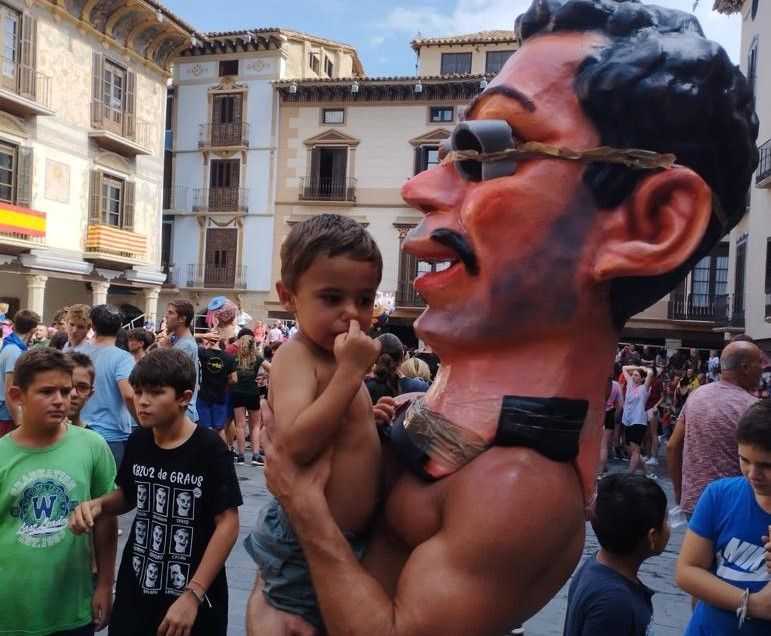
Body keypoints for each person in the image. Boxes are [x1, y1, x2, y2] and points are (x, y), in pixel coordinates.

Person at [248, 1, 758, 633]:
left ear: (651, 225)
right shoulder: (453, 414)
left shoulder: (521, 486)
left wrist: (304, 511)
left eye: (488, 152)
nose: (419, 188)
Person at [245, 213, 382, 631]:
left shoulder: (336, 360)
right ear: (288, 297)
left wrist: (370, 416)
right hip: (302, 544)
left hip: (339, 538)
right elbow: (298, 442)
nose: (351, 313)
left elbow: (336, 422)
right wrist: (352, 373)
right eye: (331, 298)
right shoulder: (297, 355)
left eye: (364, 299)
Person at [70, 348, 242, 636]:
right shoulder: (139, 440)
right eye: (138, 392)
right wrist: (99, 505)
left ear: (184, 398)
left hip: (192, 592)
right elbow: (129, 494)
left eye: (156, 392)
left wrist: (193, 594)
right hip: (137, 586)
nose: (143, 401)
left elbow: (228, 523)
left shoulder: (209, 448)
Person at [1, 348, 117, 635]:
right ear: (17, 396)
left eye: (65, 391)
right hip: (10, 609)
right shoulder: (3, 454)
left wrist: (104, 584)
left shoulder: (92, 446)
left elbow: (107, 517)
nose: (60, 400)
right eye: (46, 391)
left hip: (72, 609)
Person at [675, 400, 771, 635]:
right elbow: (688, 571)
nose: (753, 474)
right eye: (744, 460)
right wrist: (753, 604)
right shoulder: (720, 495)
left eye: (766, 465)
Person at [563, 473, 670, 635]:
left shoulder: (595, 566)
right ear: (652, 537)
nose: (669, 526)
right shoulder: (615, 604)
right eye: (666, 519)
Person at [667, 340, 761, 516]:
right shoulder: (753, 408)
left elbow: (672, 446)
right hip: (734, 507)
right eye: (760, 363)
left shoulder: (697, 395)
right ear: (745, 368)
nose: (763, 368)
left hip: (695, 503)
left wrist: (680, 493)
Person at [78, 304, 137, 469]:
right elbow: (128, 395)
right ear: (120, 327)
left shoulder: (79, 353)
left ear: (92, 326)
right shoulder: (123, 358)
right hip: (111, 435)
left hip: (79, 430)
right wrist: (142, 423)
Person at [231, 334, 270, 466]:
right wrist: (264, 377)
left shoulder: (235, 359)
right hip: (253, 392)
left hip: (238, 392)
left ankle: (241, 456)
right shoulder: (257, 358)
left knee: (240, 425)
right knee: (255, 425)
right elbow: (272, 368)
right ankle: (255, 455)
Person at [0, 309, 40, 436]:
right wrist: (19, 422)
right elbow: (10, 391)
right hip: (7, 418)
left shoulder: (10, 346)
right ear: (33, 330)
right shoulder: (14, 352)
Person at [163, 300, 200, 423]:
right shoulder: (180, 343)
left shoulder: (185, 346)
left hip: (181, 412)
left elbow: (166, 375)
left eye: (170, 313)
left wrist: (163, 351)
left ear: (182, 319)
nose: (166, 316)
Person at [196, 334, 237, 441]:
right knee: (219, 429)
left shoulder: (202, 353)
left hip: (204, 395)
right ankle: (223, 450)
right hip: (220, 395)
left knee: (206, 428)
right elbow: (234, 379)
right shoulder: (229, 357)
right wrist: (226, 386)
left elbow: (187, 338)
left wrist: (203, 336)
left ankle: (208, 450)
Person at [621, 365, 654, 475]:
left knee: (635, 450)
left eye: (636, 375)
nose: (633, 377)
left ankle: (629, 475)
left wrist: (644, 369)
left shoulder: (644, 388)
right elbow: (624, 368)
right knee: (629, 449)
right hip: (628, 421)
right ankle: (647, 472)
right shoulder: (630, 385)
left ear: (642, 378)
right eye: (633, 375)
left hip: (638, 421)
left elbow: (650, 373)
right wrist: (638, 366)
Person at [597, 375, 623, 477]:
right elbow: (620, 404)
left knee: (595, 444)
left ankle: (594, 469)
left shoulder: (598, 382)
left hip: (597, 413)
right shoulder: (616, 385)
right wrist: (615, 417)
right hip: (610, 413)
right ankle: (600, 472)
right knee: (604, 445)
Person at [65, 351, 96, 428]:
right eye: (67, 386)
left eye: (82, 387)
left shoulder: (90, 435)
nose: (73, 394)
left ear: (90, 394)